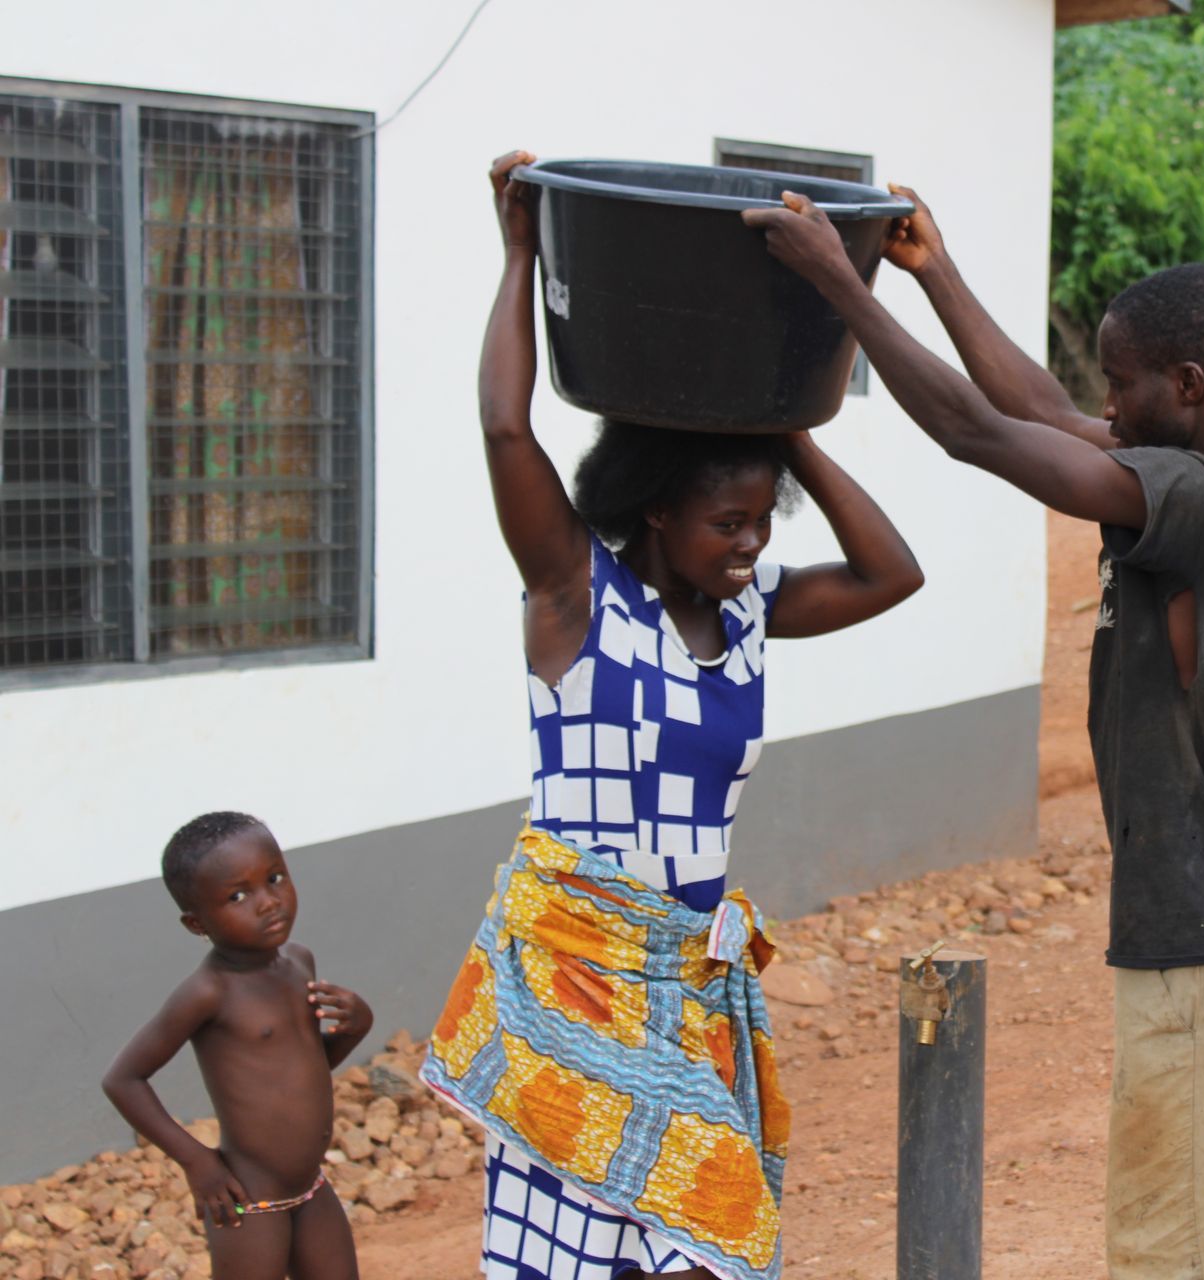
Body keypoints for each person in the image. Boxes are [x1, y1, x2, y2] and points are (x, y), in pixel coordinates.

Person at [746, 189, 1204, 1278]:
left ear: (1188, 389)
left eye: (1125, 386)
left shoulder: (1195, 503)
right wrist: (936, 272)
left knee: (1191, 1244)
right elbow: (1046, 410)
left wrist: (836, 281)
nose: (1105, 407)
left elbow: (982, 434)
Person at [418, 152, 923, 1280]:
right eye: (729, 523)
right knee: (591, 1243)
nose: (753, 545)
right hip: (577, 975)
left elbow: (894, 574)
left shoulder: (751, 617)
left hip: (685, 979)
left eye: (763, 521)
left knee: (699, 1245)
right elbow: (508, 432)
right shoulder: (577, 599)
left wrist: (788, 420)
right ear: (654, 510)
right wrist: (517, 255)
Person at [102, 812, 372, 1280]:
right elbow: (123, 1080)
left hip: (310, 1186)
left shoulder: (298, 962)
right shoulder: (209, 993)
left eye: (274, 878)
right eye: (238, 895)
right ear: (195, 923)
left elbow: (305, 1071)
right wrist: (197, 1161)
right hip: (249, 1198)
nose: (268, 903)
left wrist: (355, 1027)